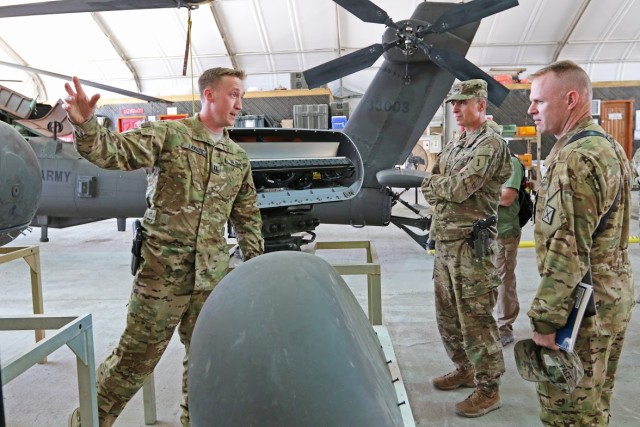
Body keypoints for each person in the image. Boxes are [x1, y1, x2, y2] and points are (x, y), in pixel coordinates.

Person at [63, 68, 264, 426]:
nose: (239, 103)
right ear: (209, 95)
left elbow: (248, 219)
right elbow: (116, 152)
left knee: (208, 361)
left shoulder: (237, 158)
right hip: (161, 277)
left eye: (242, 96)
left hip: (211, 279)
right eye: (233, 93)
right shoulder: (170, 134)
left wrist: (254, 270)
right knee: (134, 361)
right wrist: (87, 126)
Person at [526, 59, 634, 426]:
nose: (531, 109)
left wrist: (546, 320)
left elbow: (568, 250)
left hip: (582, 314)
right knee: (595, 405)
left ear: (570, 98)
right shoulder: (608, 146)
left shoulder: (574, 158)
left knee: (568, 414)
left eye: (538, 101)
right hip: (611, 300)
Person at [421, 79, 512, 418]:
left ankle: (489, 389)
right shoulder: (458, 143)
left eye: (462, 103)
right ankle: (465, 368)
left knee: (475, 318)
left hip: (471, 248)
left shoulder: (490, 145)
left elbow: (456, 189)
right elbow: (439, 181)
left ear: (481, 105)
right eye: (453, 104)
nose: (456, 109)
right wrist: (436, 184)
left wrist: (432, 184)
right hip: (446, 241)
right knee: (447, 316)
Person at [494, 153, 524, 346]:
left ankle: (504, 327)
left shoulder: (510, 162)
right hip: (482, 231)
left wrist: (476, 195)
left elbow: (506, 198)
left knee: (503, 280)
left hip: (503, 231)